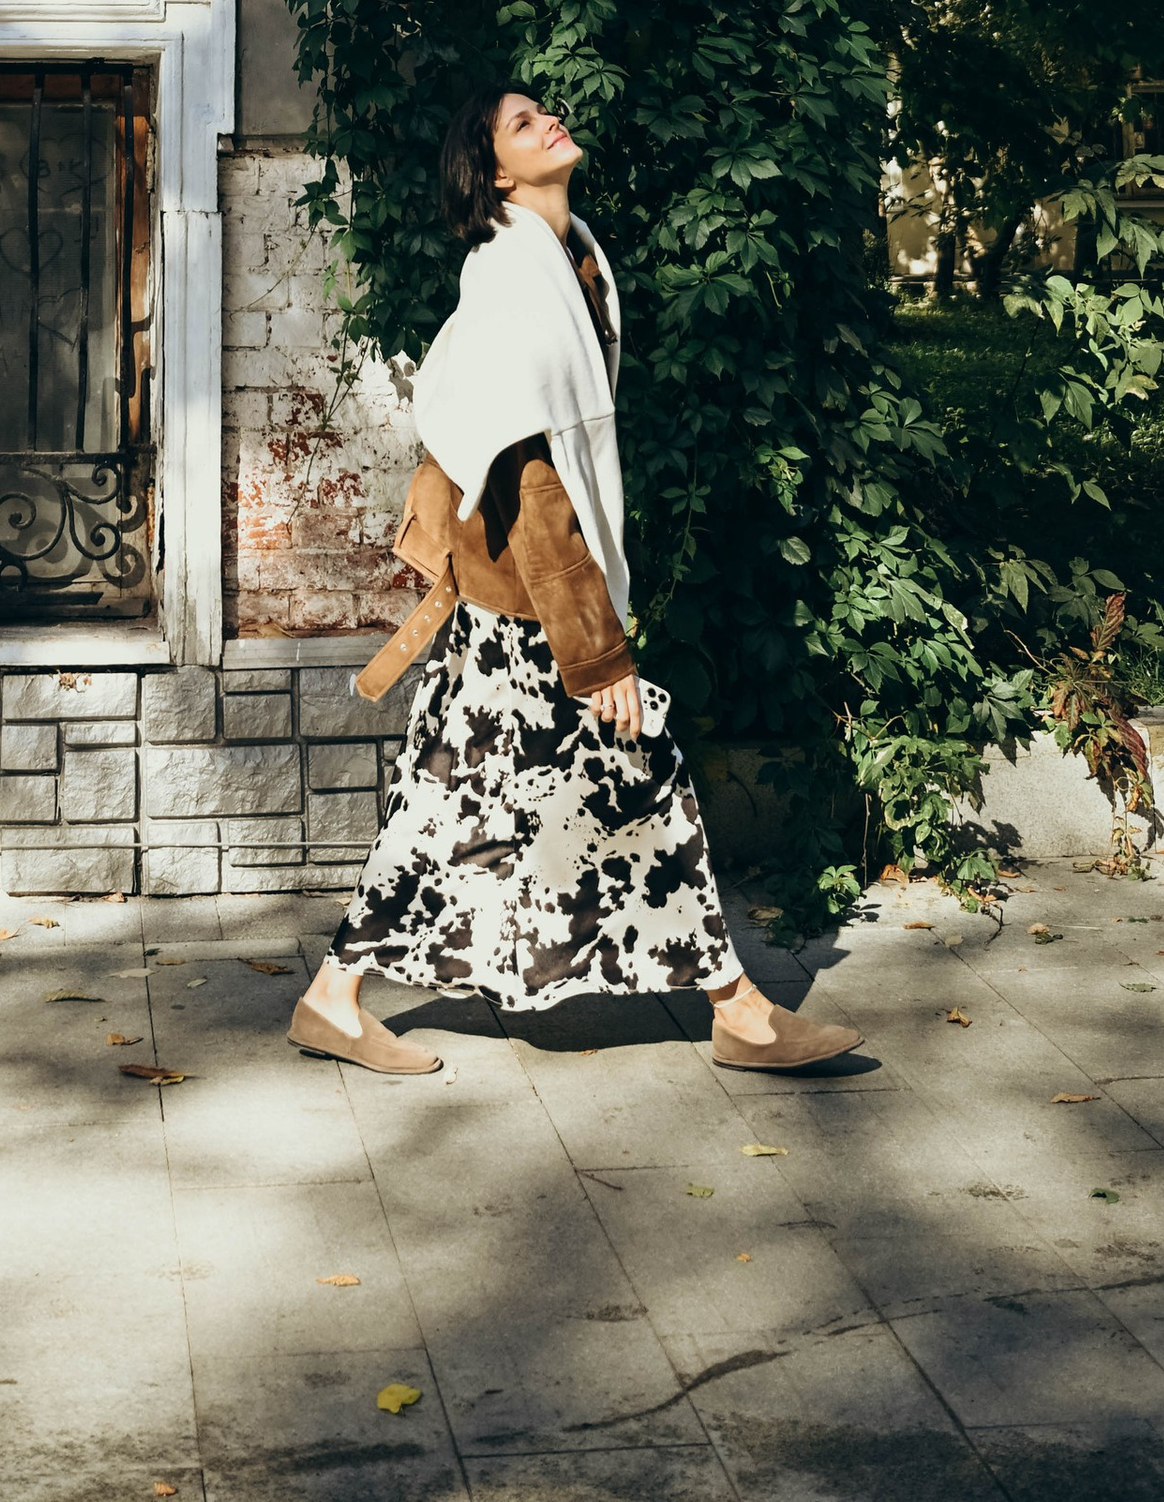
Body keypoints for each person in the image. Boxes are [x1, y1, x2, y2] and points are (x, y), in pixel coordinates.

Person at [288, 88, 863, 1079]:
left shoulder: (569, 259)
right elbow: (532, 475)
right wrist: (595, 649)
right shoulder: (515, 276)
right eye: (519, 122)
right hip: (528, 601)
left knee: (449, 805)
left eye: (542, 109)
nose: (548, 118)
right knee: (644, 783)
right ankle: (742, 1014)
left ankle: (331, 999)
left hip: (508, 598)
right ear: (498, 175)